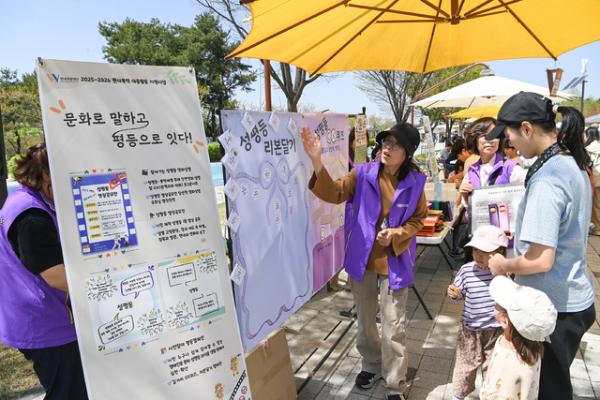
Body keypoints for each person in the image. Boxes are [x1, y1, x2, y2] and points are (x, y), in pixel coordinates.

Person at [301, 123, 427, 400]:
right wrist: (316, 160)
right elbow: (334, 192)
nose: (387, 148)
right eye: (386, 142)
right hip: (362, 260)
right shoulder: (362, 173)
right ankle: (371, 364)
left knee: (393, 326)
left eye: (395, 144)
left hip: (395, 263)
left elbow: (419, 219)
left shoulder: (416, 182)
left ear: (407, 152)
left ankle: (394, 382)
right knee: (366, 321)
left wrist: (397, 233)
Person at [487, 92, 596, 399]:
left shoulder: (547, 179)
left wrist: (502, 265)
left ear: (526, 128)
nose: (508, 142)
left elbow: (540, 260)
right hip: (571, 297)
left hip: (552, 307)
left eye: (508, 134)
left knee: (549, 390)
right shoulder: (570, 162)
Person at [0, 143, 88, 399]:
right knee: (69, 393)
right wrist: (106, 287)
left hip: (39, 317)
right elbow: (55, 275)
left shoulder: (28, 200)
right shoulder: (30, 216)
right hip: (45, 323)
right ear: (47, 173)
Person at [447, 225, 506, 400]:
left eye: (484, 251)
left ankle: (490, 395)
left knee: (493, 366)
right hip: (470, 329)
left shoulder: (504, 272)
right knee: (465, 365)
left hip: (496, 330)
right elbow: (459, 292)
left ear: (500, 252)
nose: (478, 255)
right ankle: (458, 395)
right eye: (475, 250)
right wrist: (456, 293)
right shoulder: (466, 270)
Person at [481, 275, 557, 400]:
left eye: (497, 303)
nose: (494, 304)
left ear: (505, 321)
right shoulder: (533, 345)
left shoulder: (508, 365)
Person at [585, 127, 600, 235]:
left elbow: (587, 164)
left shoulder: (589, 149)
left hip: (597, 177)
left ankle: (598, 228)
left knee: (596, 204)